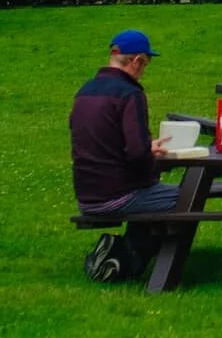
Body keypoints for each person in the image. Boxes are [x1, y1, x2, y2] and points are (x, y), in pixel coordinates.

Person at [68, 29, 177, 282]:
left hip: (87, 195)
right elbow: (138, 155)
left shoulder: (85, 91)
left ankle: (121, 255)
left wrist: (144, 147)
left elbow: (99, 139)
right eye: (146, 64)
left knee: (161, 197)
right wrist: (151, 167)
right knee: (189, 197)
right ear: (137, 60)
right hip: (118, 195)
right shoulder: (130, 94)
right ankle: (132, 262)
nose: (144, 71)